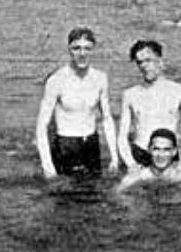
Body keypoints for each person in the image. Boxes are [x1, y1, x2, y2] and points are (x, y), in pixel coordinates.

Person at [35, 27, 119, 178]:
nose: (82, 53)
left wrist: (114, 156)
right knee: (66, 197)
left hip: (91, 144)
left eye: (87, 48)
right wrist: (47, 166)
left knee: (94, 196)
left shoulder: (100, 78)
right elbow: (42, 126)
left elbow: (107, 119)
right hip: (66, 145)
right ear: (69, 50)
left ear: (93, 50)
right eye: (76, 48)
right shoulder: (56, 80)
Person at [117, 40, 181, 171]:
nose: (144, 66)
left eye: (148, 60)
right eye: (139, 62)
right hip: (140, 155)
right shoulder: (130, 94)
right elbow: (122, 137)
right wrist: (131, 164)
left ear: (160, 61)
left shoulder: (180, 91)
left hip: (169, 155)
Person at [114, 129, 181, 192]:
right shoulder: (137, 177)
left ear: (174, 152)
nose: (161, 155)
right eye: (156, 149)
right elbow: (116, 195)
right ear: (149, 150)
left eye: (166, 150)